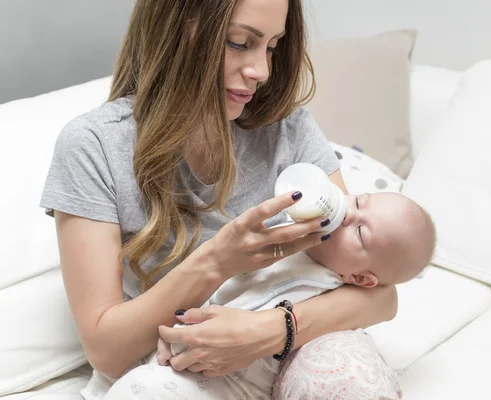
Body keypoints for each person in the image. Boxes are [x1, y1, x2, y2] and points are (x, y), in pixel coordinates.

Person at [40, 0, 405, 398]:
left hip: (294, 344)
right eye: (239, 42)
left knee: (349, 378)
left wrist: (271, 331)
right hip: (180, 365)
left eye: (271, 47)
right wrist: (218, 261)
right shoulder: (94, 146)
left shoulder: (287, 127)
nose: (261, 72)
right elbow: (106, 350)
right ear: (176, 29)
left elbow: (379, 293)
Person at [159, 191, 435, 361]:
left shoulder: (316, 286)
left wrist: (182, 337)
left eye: (361, 233)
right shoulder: (294, 234)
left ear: (360, 278)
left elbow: (244, 318)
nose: (348, 213)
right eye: (360, 201)